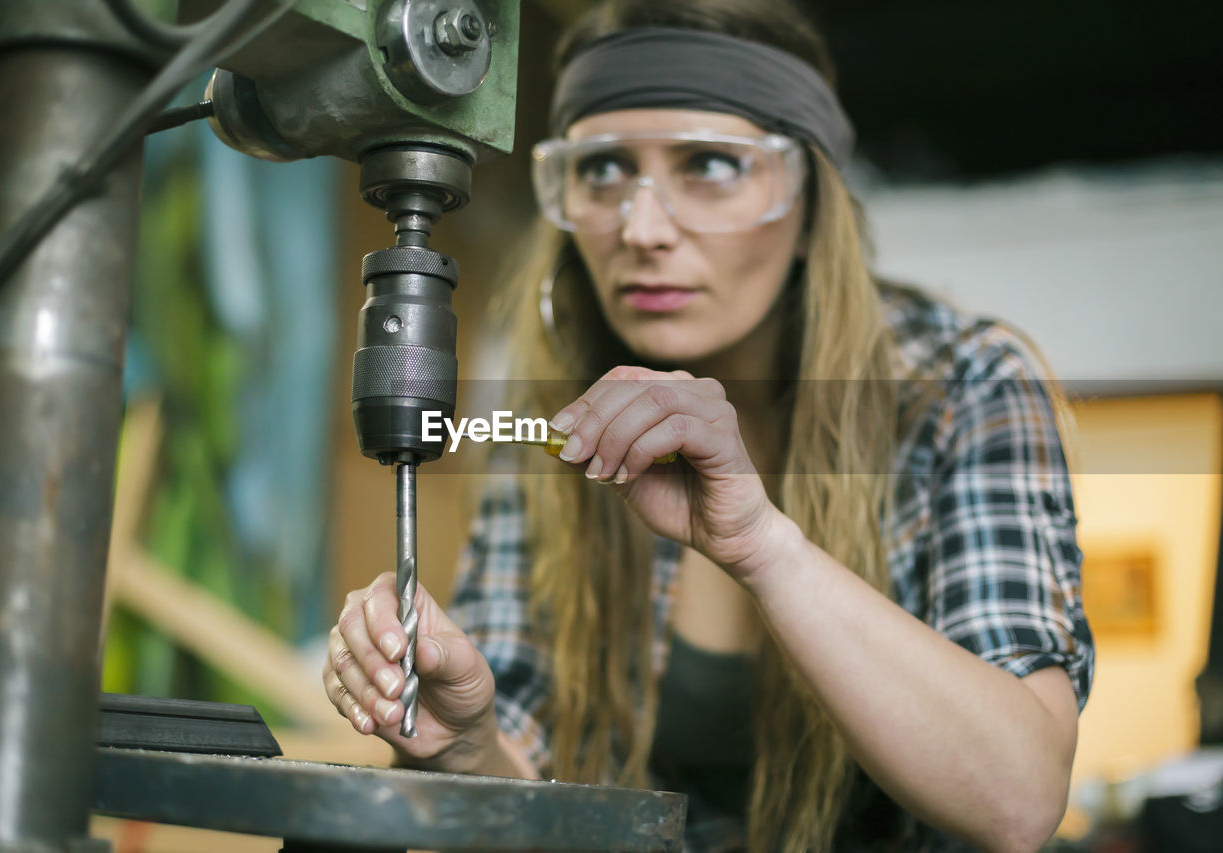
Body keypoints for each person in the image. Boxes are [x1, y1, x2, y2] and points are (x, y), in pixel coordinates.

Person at [323, 1, 1094, 850]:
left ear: (810, 204)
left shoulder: (965, 388)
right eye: (604, 169)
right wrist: (469, 747)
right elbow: (528, 785)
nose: (641, 229)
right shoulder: (552, 411)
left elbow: (1019, 799)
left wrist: (763, 545)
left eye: (713, 165)